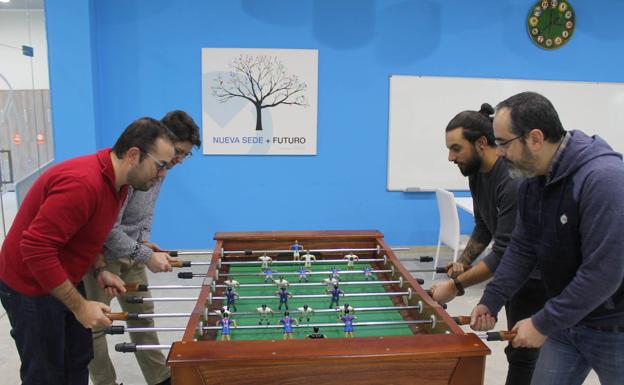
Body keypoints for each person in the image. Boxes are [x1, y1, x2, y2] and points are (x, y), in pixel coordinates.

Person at [0, 117, 176, 385]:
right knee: (46, 373)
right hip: (28, 285)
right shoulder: (83, 184)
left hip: (61, 276)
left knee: (77, 360)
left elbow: (87, 232)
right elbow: (35, 248)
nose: (163, 173)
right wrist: (80, 306)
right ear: (133, 155)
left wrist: (100, 268)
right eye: (160, 165)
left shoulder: (118, 185)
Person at [470, 92, 624, 385]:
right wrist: (492, 299)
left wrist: (542, 322)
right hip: (567, 322)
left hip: (615, 327)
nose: (498, 152)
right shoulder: (532, 182)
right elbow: (523, 247)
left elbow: (603, 274)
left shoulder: (603, 179)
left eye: (503, 143)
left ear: (536, 139)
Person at [429, 103, 547, 385]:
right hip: (517, 273)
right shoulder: (476, 173)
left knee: (523, 350)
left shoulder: (511, 181)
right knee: (519, 348)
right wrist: (464, 263)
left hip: (539, 276)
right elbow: (484, 226)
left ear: (481, 143)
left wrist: (455, 286)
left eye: (456, 148)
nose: (450, 156)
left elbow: (505, 251)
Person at [84, 110, 201, 385]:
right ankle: (105, 383)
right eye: (179, 152)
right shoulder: (136, 169)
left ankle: (160, 378)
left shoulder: (161, 170)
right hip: (103, 257)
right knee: (97, 326)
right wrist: (147, 255)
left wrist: (145, 240)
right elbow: (109, 231)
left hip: (133, 252)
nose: (180, 160)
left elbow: (147, 212)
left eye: (185, 155)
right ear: (166, 144)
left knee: (142, 316)